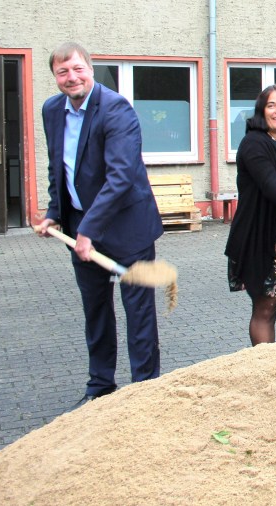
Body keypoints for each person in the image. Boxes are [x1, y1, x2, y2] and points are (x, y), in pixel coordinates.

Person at [36, 42, 162, 408]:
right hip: (79, 229)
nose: (71, 77)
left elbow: (121, 177)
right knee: (96, 309)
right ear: (56, 77)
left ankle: (144, 392)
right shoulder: (52, 111)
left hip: (127, 228)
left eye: (77, 69)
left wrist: (87, 229)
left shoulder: (116, 109)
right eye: (63, 72)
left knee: (137, 311)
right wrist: (55, 211)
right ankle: (101, 385)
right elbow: (58, 168)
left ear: (90, 69)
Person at [225, 85, 276, 346]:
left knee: (274, 303)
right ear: (262, 111)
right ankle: (262, 366)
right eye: (271, 105)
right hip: (260, 236)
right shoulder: (254, 143)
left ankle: (266, 363)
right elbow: (269, 185)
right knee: (264, 306)